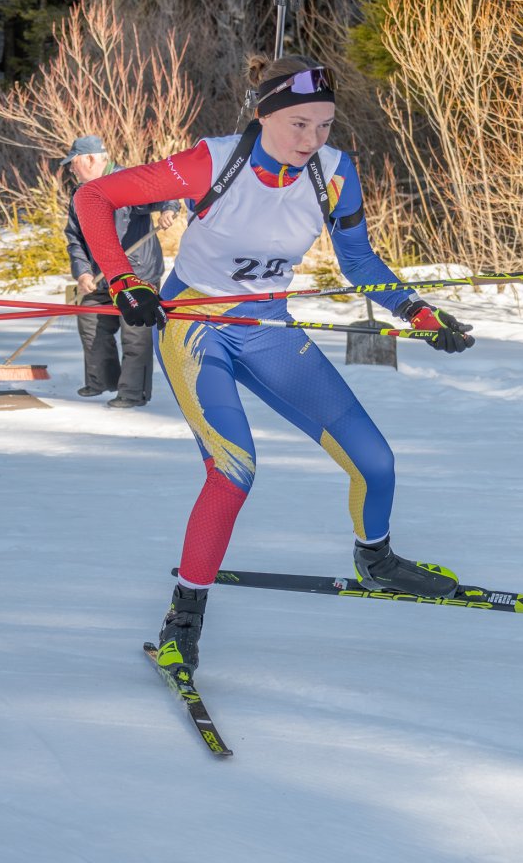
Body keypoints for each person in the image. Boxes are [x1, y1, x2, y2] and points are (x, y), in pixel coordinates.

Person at [74, 56, 475, 679]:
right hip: (195, 327)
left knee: (376, 461)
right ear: (262, 116)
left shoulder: (336, 175)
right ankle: (183, 620)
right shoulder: (215, 160)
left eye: (324, 126)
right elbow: (94, 194)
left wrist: (417, 312)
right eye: (298, 125)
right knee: (233, 471)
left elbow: (360, 261)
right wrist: (124, 279)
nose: (313, 140)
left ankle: (377, 559)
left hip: (266, 328)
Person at [62, 134, 180, 408]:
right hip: (98, 274)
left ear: (90, 159)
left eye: (73, 163)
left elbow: (164, 192)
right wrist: (82, 273)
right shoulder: (80, 195)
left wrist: (168, 209)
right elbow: (74, 237)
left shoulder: (125, 181)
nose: (70, 169)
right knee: (90, 324)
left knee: (135, 333)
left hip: (135, 273)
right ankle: (102, 381)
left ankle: (132, 392)